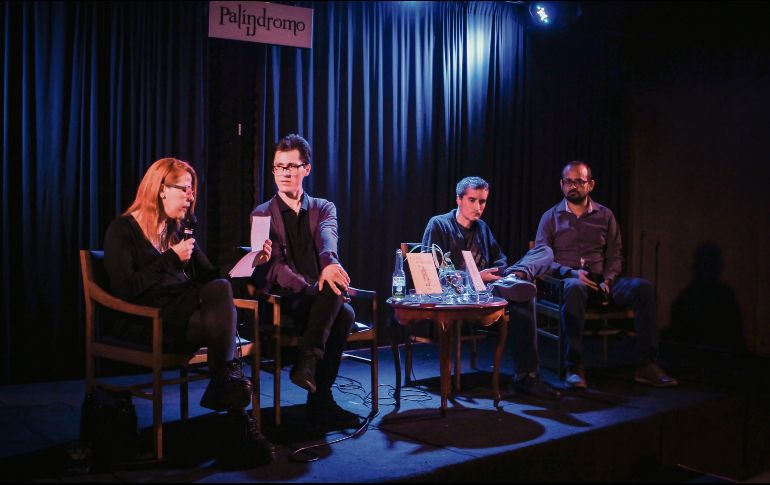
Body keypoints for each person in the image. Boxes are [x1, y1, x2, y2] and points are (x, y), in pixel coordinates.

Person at [103, 157, 274, 465]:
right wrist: (171, 258)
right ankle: (236, 413)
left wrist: (251, 262)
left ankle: (228, 394)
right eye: (184, 189)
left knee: (219, 289)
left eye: (192, 190)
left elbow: (213, 277)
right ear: (160, 189)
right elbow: (124, 290)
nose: (191, 197)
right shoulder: (122, 230)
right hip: (149, 322)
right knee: (220, 321)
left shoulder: (178, 231)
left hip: (185, 317)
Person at [535, 160, 679, 389]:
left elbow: (615, 254)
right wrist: (570, 273)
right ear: (562, 185)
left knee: (643, 288)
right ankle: (574, 367)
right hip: (566, 283)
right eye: (569, 182)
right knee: (574, 287)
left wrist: (609, 280)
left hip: (601, 282)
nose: (573, 186)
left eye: (579, 181)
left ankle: (646, 364)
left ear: (590, 184)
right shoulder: (550, 217)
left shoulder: (605, 216)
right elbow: (541, 259)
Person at [250, 134, 361, 428]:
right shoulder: (261, 214)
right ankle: (319, 395)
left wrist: (329, 265)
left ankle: (312, 374)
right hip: (284, 301)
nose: (284, 173)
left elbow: (328, 241)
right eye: (279, 166)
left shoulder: (324, 208)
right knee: (342, 308)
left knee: (336, 289)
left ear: (306, 169)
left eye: (291, 166)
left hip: (319, 298)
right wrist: (311, 288)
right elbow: (274, 268)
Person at [421, 176, 562, 400]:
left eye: (483, 201)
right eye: (472, 200)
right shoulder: (439, 224)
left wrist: (498, 273)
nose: (478, 207)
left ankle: (516, 276)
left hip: (491, 288)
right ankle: (527, 376)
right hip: (462, 294)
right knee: (523, 297)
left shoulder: (482, 228)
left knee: (544, 252)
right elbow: (430, 273)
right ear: (458, 199)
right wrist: (475, 277)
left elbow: (500, 259)